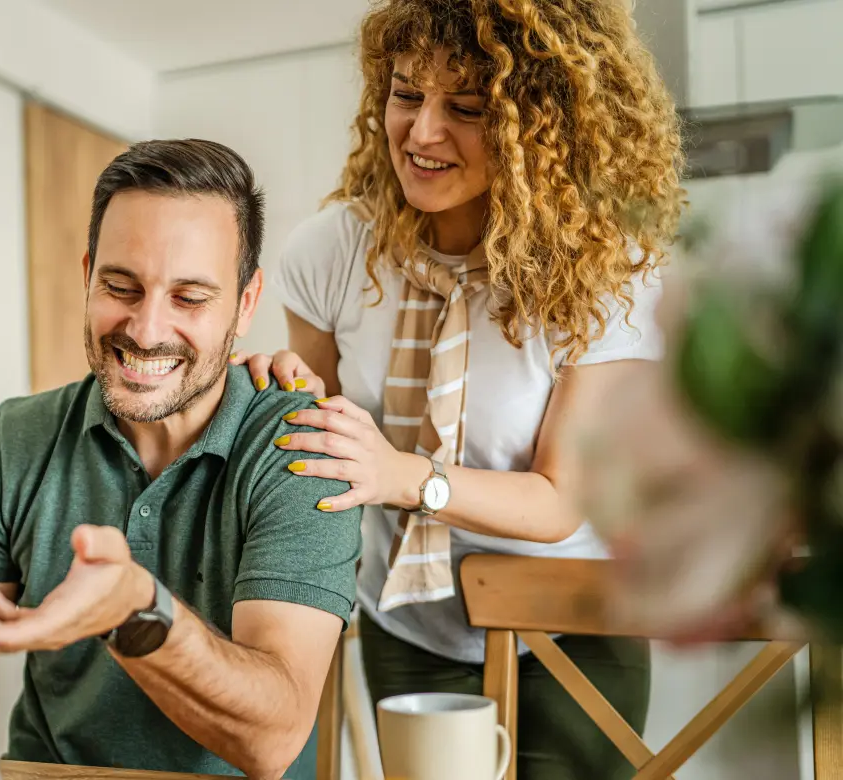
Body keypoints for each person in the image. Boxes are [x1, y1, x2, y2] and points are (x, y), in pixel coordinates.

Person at [231, 0, 684, 777]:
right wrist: (288, 397)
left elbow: (560, 500)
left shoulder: (610, 278)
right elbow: (323, 440)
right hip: (409, 621)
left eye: (468, 108)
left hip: (571, 625)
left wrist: (404, 475)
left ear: (543, 127)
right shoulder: (331, 252)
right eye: (406, 95)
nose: (422, 132)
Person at [0, 139, 362, 780]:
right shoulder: (19, 435)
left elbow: (273, 738)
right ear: (88, 274)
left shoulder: (305, 446)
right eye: (121, 287)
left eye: (189, 298)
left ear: (246, 303)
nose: (145, 330)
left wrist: (137, 613)